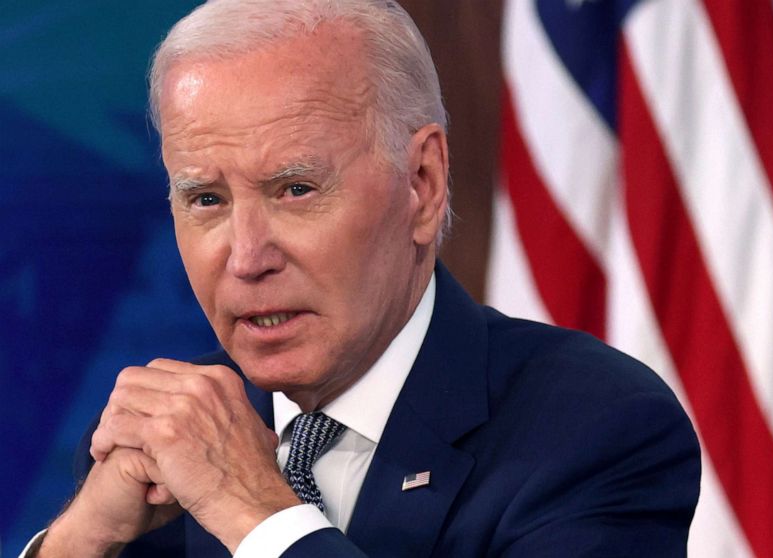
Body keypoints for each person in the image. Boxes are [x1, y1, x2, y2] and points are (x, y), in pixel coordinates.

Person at [23, 1, 700, 556]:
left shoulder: (593, 430)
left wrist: (256, 513)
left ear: (422, 185)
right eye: (207, 200)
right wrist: (79, 540)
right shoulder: (162, 439)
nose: (246, 257)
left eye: (295, 188)